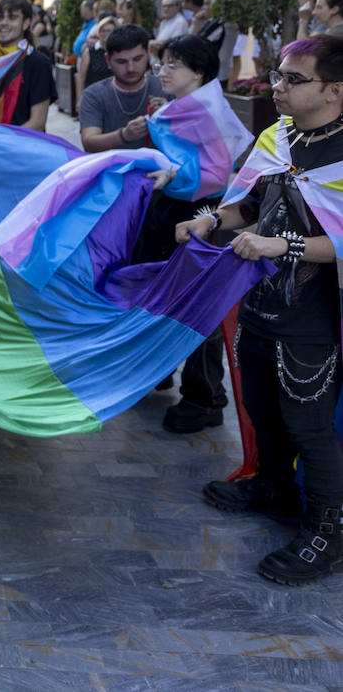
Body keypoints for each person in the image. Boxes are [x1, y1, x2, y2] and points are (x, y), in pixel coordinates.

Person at [177, 35, 343, 586]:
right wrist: (208, 219)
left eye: (294, 80)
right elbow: (250, 203)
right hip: (260, 301)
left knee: (309, 424)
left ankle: (326, 530)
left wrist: (283, 246)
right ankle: (270, 483)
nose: (278, 87)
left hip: (315, 317)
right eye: (278, 76)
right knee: (259, 406)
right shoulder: (278, 136)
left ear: (335, 89)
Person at [136, 35, 245, 432]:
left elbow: (216, 173)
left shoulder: (206, 111)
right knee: (160, 292)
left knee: (198, 304)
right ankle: (158, 370)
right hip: (171, 209)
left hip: (199, 215)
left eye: (173, 65)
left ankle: (204, 398)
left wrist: (171, 174)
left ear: (198, 72)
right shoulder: (182, 107)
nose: (162, 71)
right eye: (161, 64)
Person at [0, 0, 56, 129]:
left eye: (12, 17)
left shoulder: (38, 62)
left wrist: (1, 142)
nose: (4, 22)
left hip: (22, 146)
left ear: (26, 23)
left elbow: (38, 122)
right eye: (0, 17)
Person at [79, 24, 164, 152]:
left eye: (137, 59)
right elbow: (89, 142)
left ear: (148, 54)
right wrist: (124, 135)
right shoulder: (93, 94)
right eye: (121, 62)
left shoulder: (165, 87)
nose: (131, 68)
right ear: (108, 60)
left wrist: (170, 113)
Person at [77, 14, 118, 93]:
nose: (106, 33)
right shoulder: (89, 52)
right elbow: (81, 77)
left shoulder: (119, 51)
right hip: (93, 97)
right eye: (103, 30)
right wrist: (79, 99)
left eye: (109, 30)